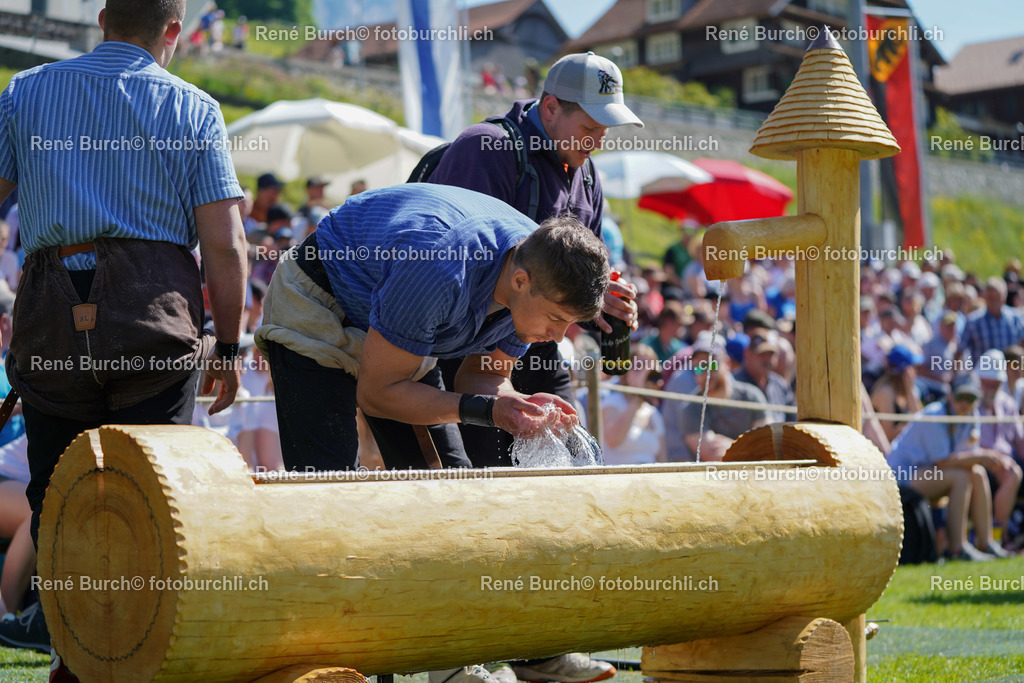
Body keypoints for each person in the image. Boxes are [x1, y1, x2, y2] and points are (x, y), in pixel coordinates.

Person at [0, 1, 247, 676]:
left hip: (51, 317)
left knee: (60, 501)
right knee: (150, 506)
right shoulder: (195, 108)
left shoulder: (26, 91)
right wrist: (228, 347)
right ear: (174, 31)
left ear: (104, 18)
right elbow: (225, 248)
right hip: (152, 319)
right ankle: (137, 662)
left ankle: (73, 660)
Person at [427, 51, 641, 466]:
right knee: (478, 480)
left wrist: (599, 301)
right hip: (462, 343)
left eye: (605, 131)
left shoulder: (588, 177)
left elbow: (577, 279)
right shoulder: (488, 148)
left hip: (539, 340)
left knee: (576, 465)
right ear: (550, 107)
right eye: (590, 128)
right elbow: (453, 266)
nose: (598, 142)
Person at [888, 373, 1017, 560]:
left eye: (970, 397)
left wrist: (986, 458)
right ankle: (958, 548)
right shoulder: (934, 414)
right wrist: (982, 455)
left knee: (977, 473)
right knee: (961, 476)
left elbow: (963, 459)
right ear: (950, 395)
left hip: (928, 474)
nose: (964, 402)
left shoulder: (972, 416)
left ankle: (986, 543)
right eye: (960, 396)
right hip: (899, 480)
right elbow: (942, 461)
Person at [674, 331, 769, 462]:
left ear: (727, 363)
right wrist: (750, 447)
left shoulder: (751, 396)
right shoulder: (691, 409)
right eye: (699, 369)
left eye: (712, 365)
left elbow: (767, 447)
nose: (706, 373)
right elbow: (716, 456)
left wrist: (734, 447)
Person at [961, 277, 1024, 362]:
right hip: (982, 373)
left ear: (1004, 297)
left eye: (998, 298)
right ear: (985, 297)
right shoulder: (973, 321)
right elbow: (960, 349)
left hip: (1010, 372)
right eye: (991, 298)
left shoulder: (1016, 318)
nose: (995, 302)